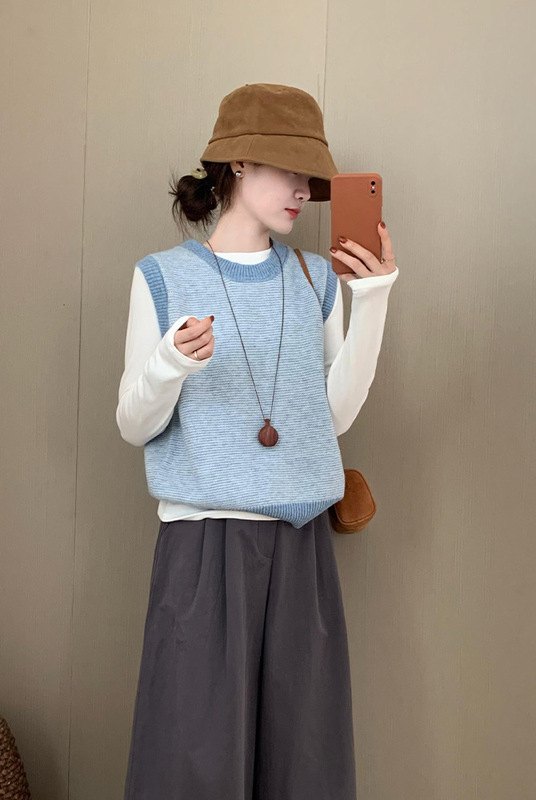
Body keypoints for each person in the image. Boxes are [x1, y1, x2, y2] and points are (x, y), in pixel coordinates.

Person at [116, 82, 399, 800]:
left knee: (305, 768)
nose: (303, 191)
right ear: (238, 164)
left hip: (302, 550)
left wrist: (373, 300)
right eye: (288, 170)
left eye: (311, 177)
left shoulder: (314, 279)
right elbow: (133, 424)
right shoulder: (162, 277)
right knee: (192, 766)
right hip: (203, 550)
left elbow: (332, 418)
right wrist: (170, 364)